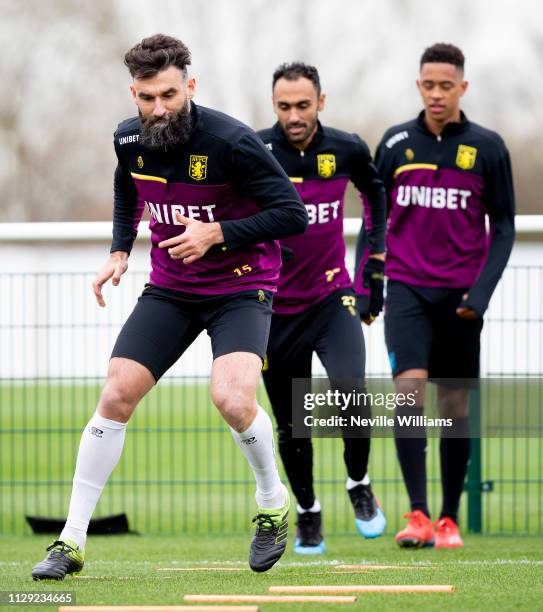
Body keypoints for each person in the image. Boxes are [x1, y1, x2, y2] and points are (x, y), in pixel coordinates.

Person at [31, 34, 308, 580]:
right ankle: (71, 541)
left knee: (231, 397)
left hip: (240, 283)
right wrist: (118, 247)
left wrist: (217, 234)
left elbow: (292, 214)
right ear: (133, 92)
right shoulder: (129, 137)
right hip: (172, 286)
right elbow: (126, 185)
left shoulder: (232, 141)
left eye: (170, 95)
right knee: (116, 393)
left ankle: (273, 503)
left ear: (190, 86)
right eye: (147, 96)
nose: (159, 108)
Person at [373, 43, 515, 548]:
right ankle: (418, 514)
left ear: (462, 87)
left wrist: (481, 292)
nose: (436, 94)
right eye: (428, 85)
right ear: (419, 85)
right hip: (407, 289)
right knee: (408, 394)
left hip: (461, 297)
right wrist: (371, 280)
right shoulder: (393, 144)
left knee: (454, 407)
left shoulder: (488, 147)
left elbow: (502, 227)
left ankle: (449, 518)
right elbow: (375, 218)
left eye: (446, 85)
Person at [258, 62, 387, 555]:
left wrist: (374, 262)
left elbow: (375, 194)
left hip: (334, 297)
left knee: (352, 391)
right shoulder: (255, 150)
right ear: (275, 105)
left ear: (321, 102)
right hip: (273, 308)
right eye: (285, 106)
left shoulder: (347, 147)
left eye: (303, 105)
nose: (294, 115)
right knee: (293, 423)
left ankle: (359, 482)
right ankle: (309, 512)